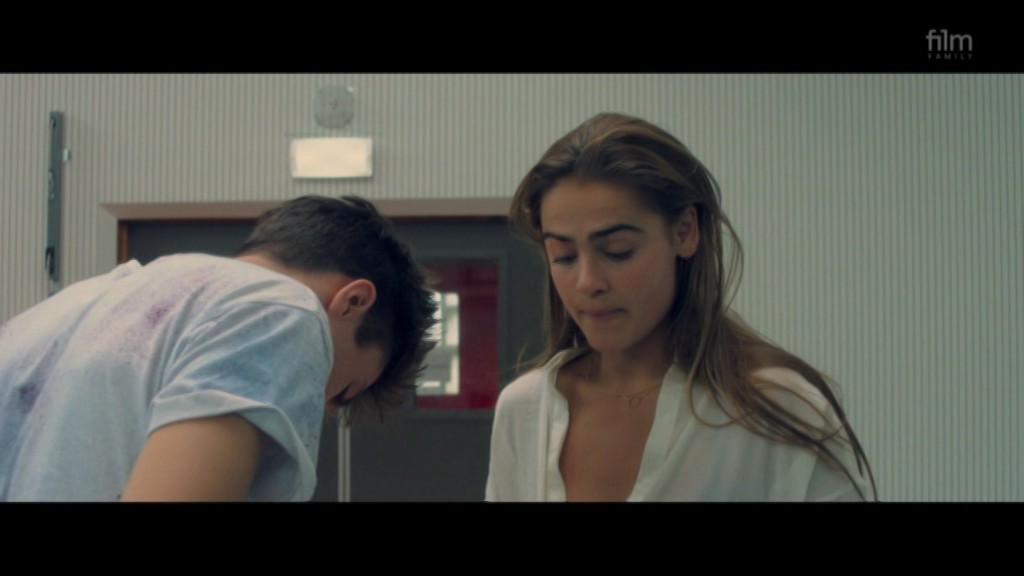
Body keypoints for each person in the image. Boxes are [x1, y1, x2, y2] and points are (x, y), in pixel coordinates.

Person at [486, 112, 877, 502]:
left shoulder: (778, 409)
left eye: (618, 250)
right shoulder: (525, 410)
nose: (588, 282)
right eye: (564, 256)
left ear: (685, 232)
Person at [0, 195, 437, 502]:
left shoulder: (64, 309)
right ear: (354, 301)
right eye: (340, 390)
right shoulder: (281, 310)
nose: (321, 406)